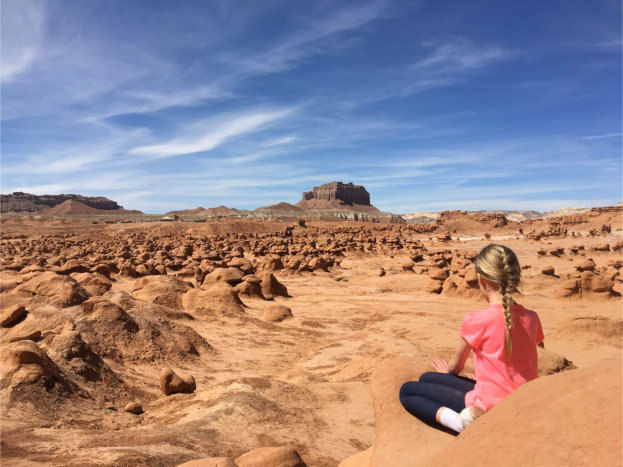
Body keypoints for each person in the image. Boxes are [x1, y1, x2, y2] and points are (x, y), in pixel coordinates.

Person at [399, 243, 544, 433]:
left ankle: (460, 422)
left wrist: (448, 371)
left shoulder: (477, 320)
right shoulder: (532, 317)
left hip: (489, 404)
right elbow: (522, 360)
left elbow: (455, 368)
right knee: (427, 377)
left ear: (480, 280)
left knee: (407, 390)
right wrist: (482, 379)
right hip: (520, 398)